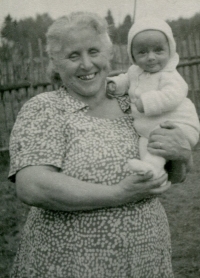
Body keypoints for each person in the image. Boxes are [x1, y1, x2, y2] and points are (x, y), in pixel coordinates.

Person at [8, 12, 192, 278]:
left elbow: (174, 175)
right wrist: (118, 194)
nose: (86, 64)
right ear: (55, 63)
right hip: (69, 265)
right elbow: (32, 186)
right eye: (73, 56)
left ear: (108, 54)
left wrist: (182, 155)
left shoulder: (135, 103)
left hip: (146, 261)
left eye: (94, 51)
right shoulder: (45, 108)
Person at [107, 18, 199, 179]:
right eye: (142, 52)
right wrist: (115, 84)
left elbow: (174, 93)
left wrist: (148, 101)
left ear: (169, 50)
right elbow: (126, 79)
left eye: (158, 50)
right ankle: (150, 170)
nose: (151, 57)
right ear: (133, 55)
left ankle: (153, 168)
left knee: (158, 141)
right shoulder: (135, 71)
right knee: (146, 142)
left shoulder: (169, 74)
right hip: (150, 126)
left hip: (178, 124)